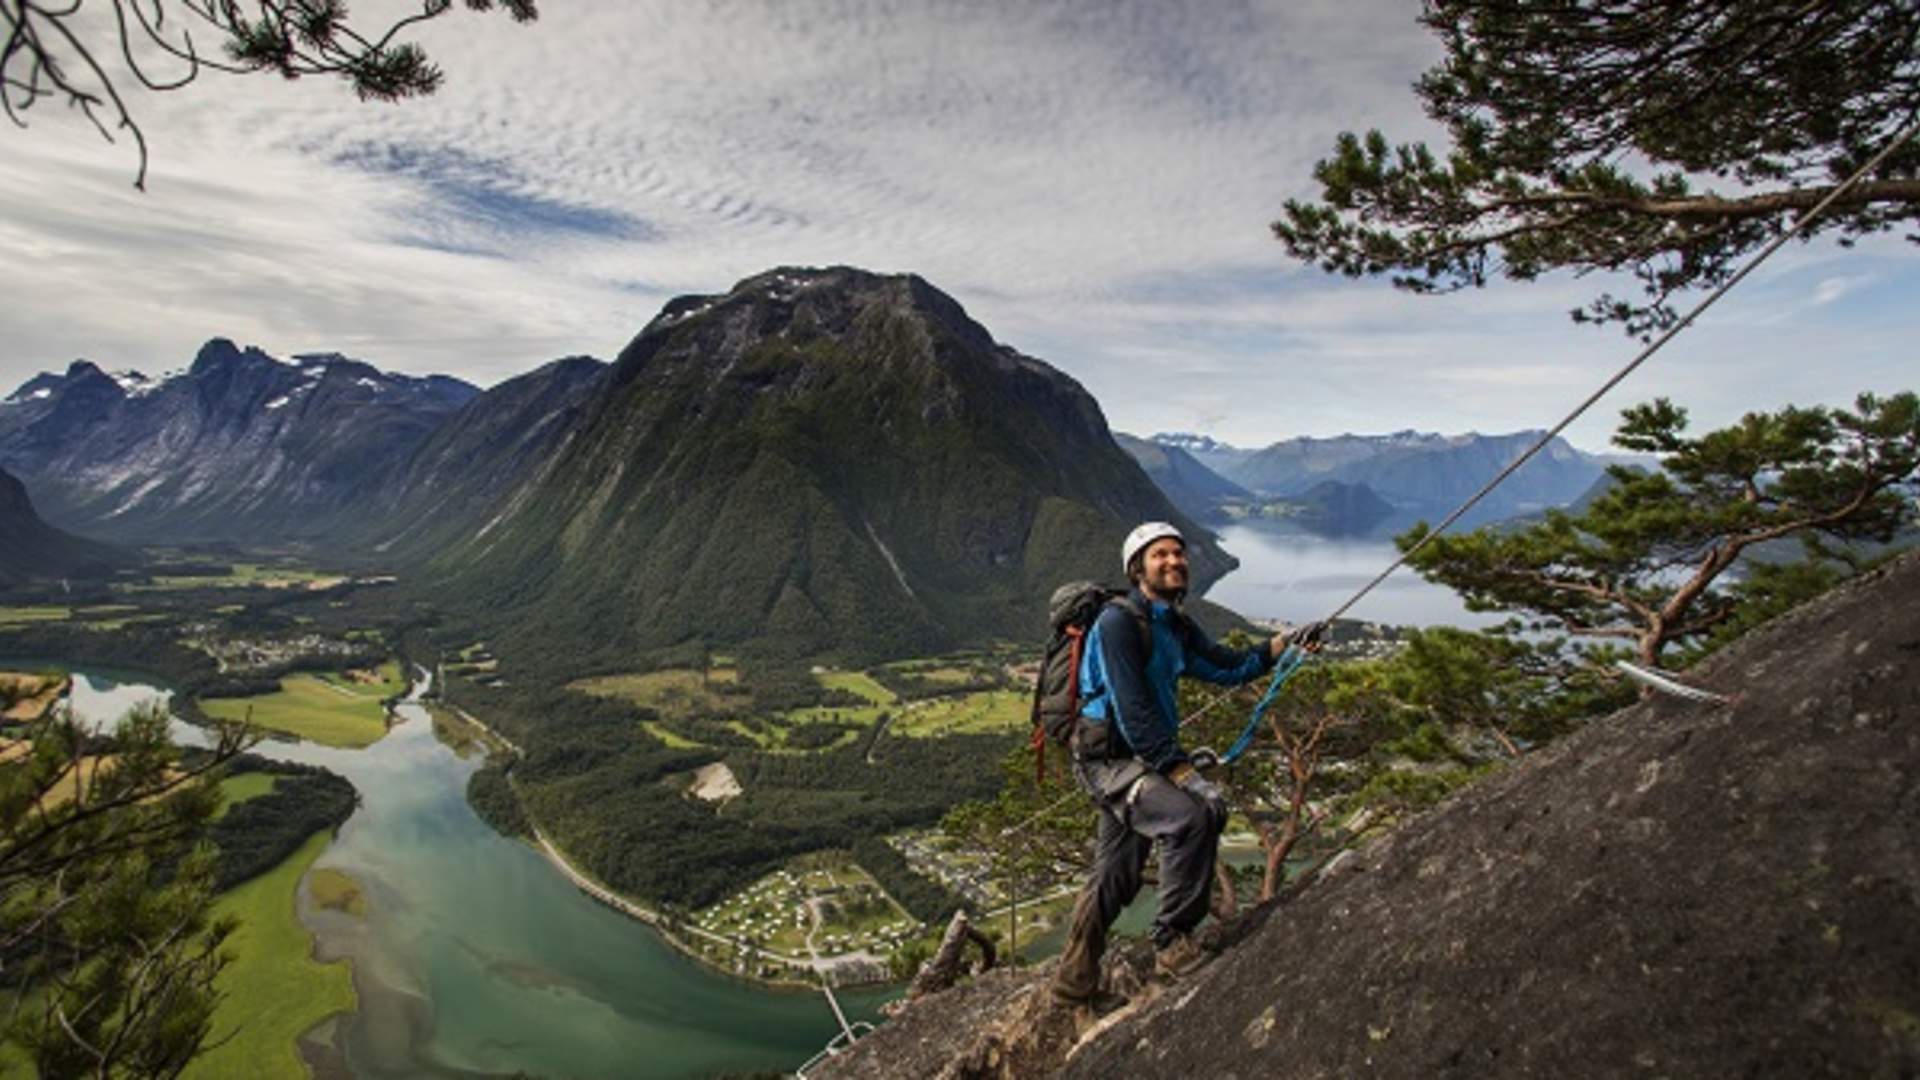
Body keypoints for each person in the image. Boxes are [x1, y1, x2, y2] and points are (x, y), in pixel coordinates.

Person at [1051, 521, 1322, 1012]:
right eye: (1161, 555)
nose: (1174, 561)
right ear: (1138, 569)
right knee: (1191, 815)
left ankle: (1072, 984)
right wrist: (1179, 772)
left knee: (1115, 874)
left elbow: (1231, 666)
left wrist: (1289, 641)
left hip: (1138, 757)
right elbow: (1132, 710)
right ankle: (1172, 942)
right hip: (1110, 761)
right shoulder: (1118, 623)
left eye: (1179, 553)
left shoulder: (1173, 626)